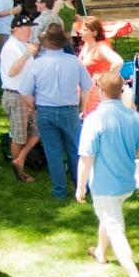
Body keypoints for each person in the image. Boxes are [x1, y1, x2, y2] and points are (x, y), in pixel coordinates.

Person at [76, 70, 139, 277]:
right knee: (108, 216)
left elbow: (86, 158)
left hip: (105, 186)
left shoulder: (94, 119)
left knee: (115, 228)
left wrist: (80, 187)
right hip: (126, 183)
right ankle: (101, 251)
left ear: (100, 91)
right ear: (121, 91)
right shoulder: (134, 117)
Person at [19, 22, 93, 201]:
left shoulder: (37, 64)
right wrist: (82, 107)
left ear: (45, 43)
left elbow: (25, 93)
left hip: (45, 111)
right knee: (76, 149)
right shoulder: (74, 61)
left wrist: (34, 107)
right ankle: (81, 186)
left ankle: (59, 191)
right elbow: (87, 87)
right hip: (69, 110)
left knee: (53, 152)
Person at [0, 13, 40, 184]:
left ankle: (20, 160)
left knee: (36, 131)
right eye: (26, 27)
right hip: (15, 95)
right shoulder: (10, 48)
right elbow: (12, 71)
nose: (30, 30)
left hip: (27, 95)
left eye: (30, 27)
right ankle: (19, 171)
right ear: (15, 29)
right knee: (19, 135)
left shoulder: (24, 44)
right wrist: (26, 55)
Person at [76, 16, 122, 117]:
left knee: (95, 119)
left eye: (84, 30)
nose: (80, 31)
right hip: (87, 92)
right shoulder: (87, 43)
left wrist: (104, 78)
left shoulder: (101, 47)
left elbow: (118, 62)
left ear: (94, 33)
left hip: (97, 93)